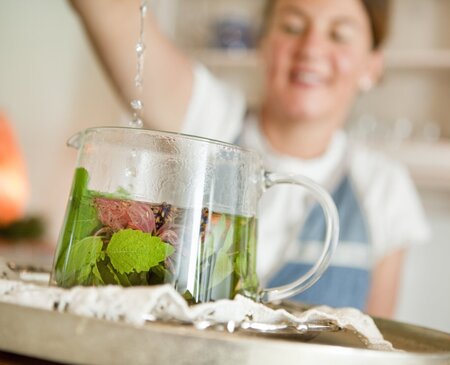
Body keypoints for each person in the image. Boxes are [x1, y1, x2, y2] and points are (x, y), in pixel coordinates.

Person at [69, 0, 430, 318]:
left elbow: (372, 340)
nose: (311, 47)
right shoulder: (209, 118)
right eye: (292, 27)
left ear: (373, 66)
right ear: (264, 42)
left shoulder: (384, 187)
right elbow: (109, 10)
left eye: (339, 35)